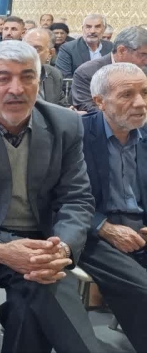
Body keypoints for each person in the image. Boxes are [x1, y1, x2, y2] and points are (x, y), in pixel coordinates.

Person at [0, 40, 102, 353]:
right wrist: (0, 250)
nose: (17, 89)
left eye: (27, 77)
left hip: (46, 241)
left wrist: (61, 247)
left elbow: (76, 198)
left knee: (31, 295)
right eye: (3, 78)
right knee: (46, 284)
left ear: (39, 82)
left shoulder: (65, 124)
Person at [74, 63, 147, 352]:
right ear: (99, 102)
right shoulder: (76, 135)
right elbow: (56, 198)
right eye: (127, 94)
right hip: (95, 232)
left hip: (141, 229)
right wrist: (104, 228)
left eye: (145, 93)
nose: (140, 103)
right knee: (142, 288)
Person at [72, 26, 147, 114]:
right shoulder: (87, 72)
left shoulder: (144, 70)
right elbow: (87, 107)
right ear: (121, 51)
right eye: (143, 54)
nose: (146, 60)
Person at [24, 28, 65, 106]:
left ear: (50, 53)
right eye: (26, 48)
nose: (30, 53)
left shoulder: (54, 74)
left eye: (37, 49)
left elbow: (61, 105)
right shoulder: (10, 75)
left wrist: (71, 110)